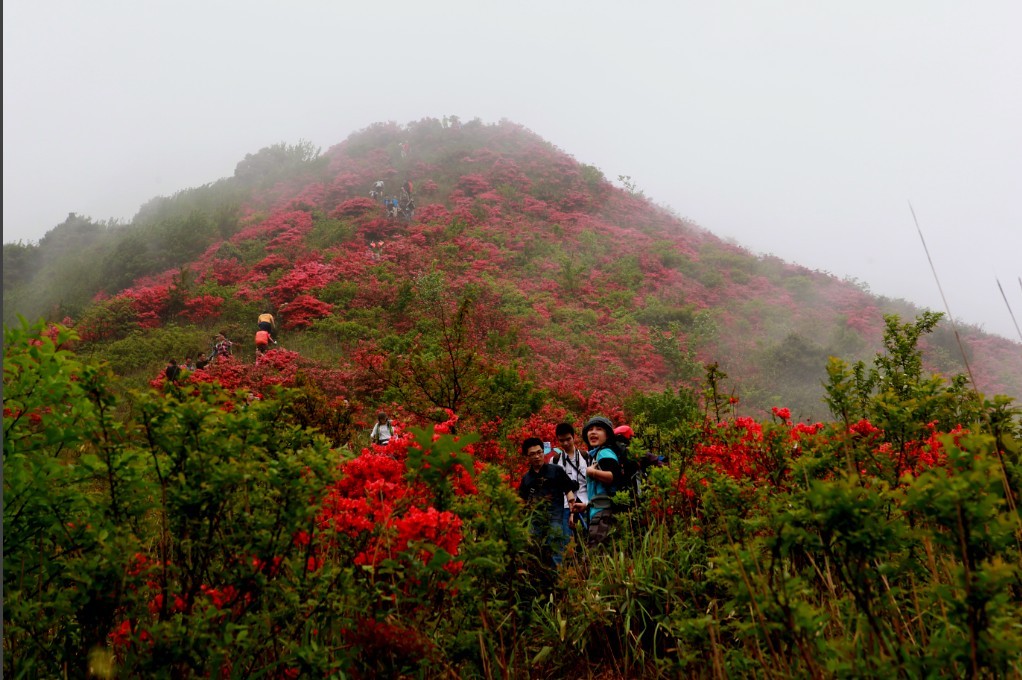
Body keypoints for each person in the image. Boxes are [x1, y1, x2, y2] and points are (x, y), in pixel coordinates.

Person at [518, 437, 579, 567]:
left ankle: (559, 578)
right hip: (535, 520)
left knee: (557, 549)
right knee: (535, 551)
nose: (537, 456)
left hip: (555, 517)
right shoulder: (526, 479)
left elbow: (568, 490)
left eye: (539, 452)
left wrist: (572, 513)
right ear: (527, 456)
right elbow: (522, 502)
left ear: (543, 452)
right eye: (532, 454)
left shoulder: (556, 470)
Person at [570, 416, 624, 548]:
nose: (593, 432)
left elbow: (613, 477)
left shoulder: (605, 453)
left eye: (599, 429)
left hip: (603, 514)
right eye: (590, 430)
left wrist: (591, 472)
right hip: (597, 510)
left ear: (607, 435)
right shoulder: (596, 453)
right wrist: (587, 505)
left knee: (597, 552)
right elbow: (601, 489)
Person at [554, 422, 589, 540]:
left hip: (585, 503)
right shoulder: (555, 461)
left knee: (587, 539)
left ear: (574, 437)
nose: (565, 443)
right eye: (561, 440)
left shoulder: (586, 457)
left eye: (568, 439)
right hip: (565, 506)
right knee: (567, 542)